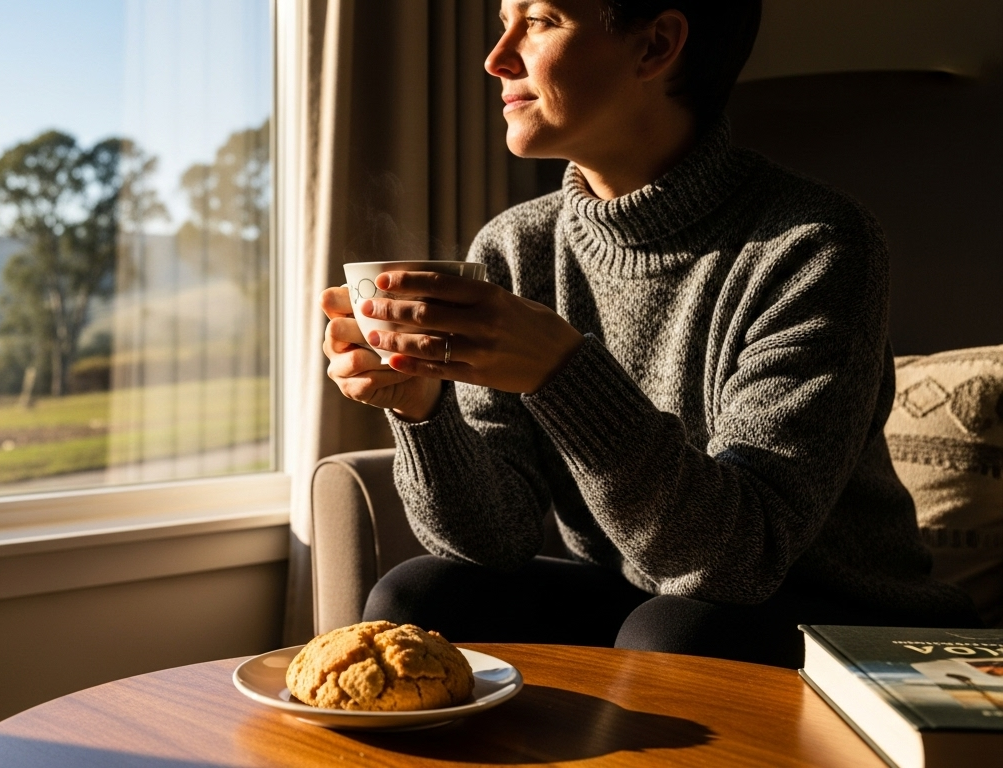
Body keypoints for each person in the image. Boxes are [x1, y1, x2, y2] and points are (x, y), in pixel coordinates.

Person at [319, 0, 979, 668]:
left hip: (841, 615)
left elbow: (739, 560)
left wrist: (562, 375)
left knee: (675, 633)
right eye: (502, 21)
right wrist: (423, 411)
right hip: (648, 594)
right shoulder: (517, 247)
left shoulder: (815, 245)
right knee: (420, 597)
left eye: (539, 20)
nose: (496, 58)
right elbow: (495, 541)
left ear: (656, 45)